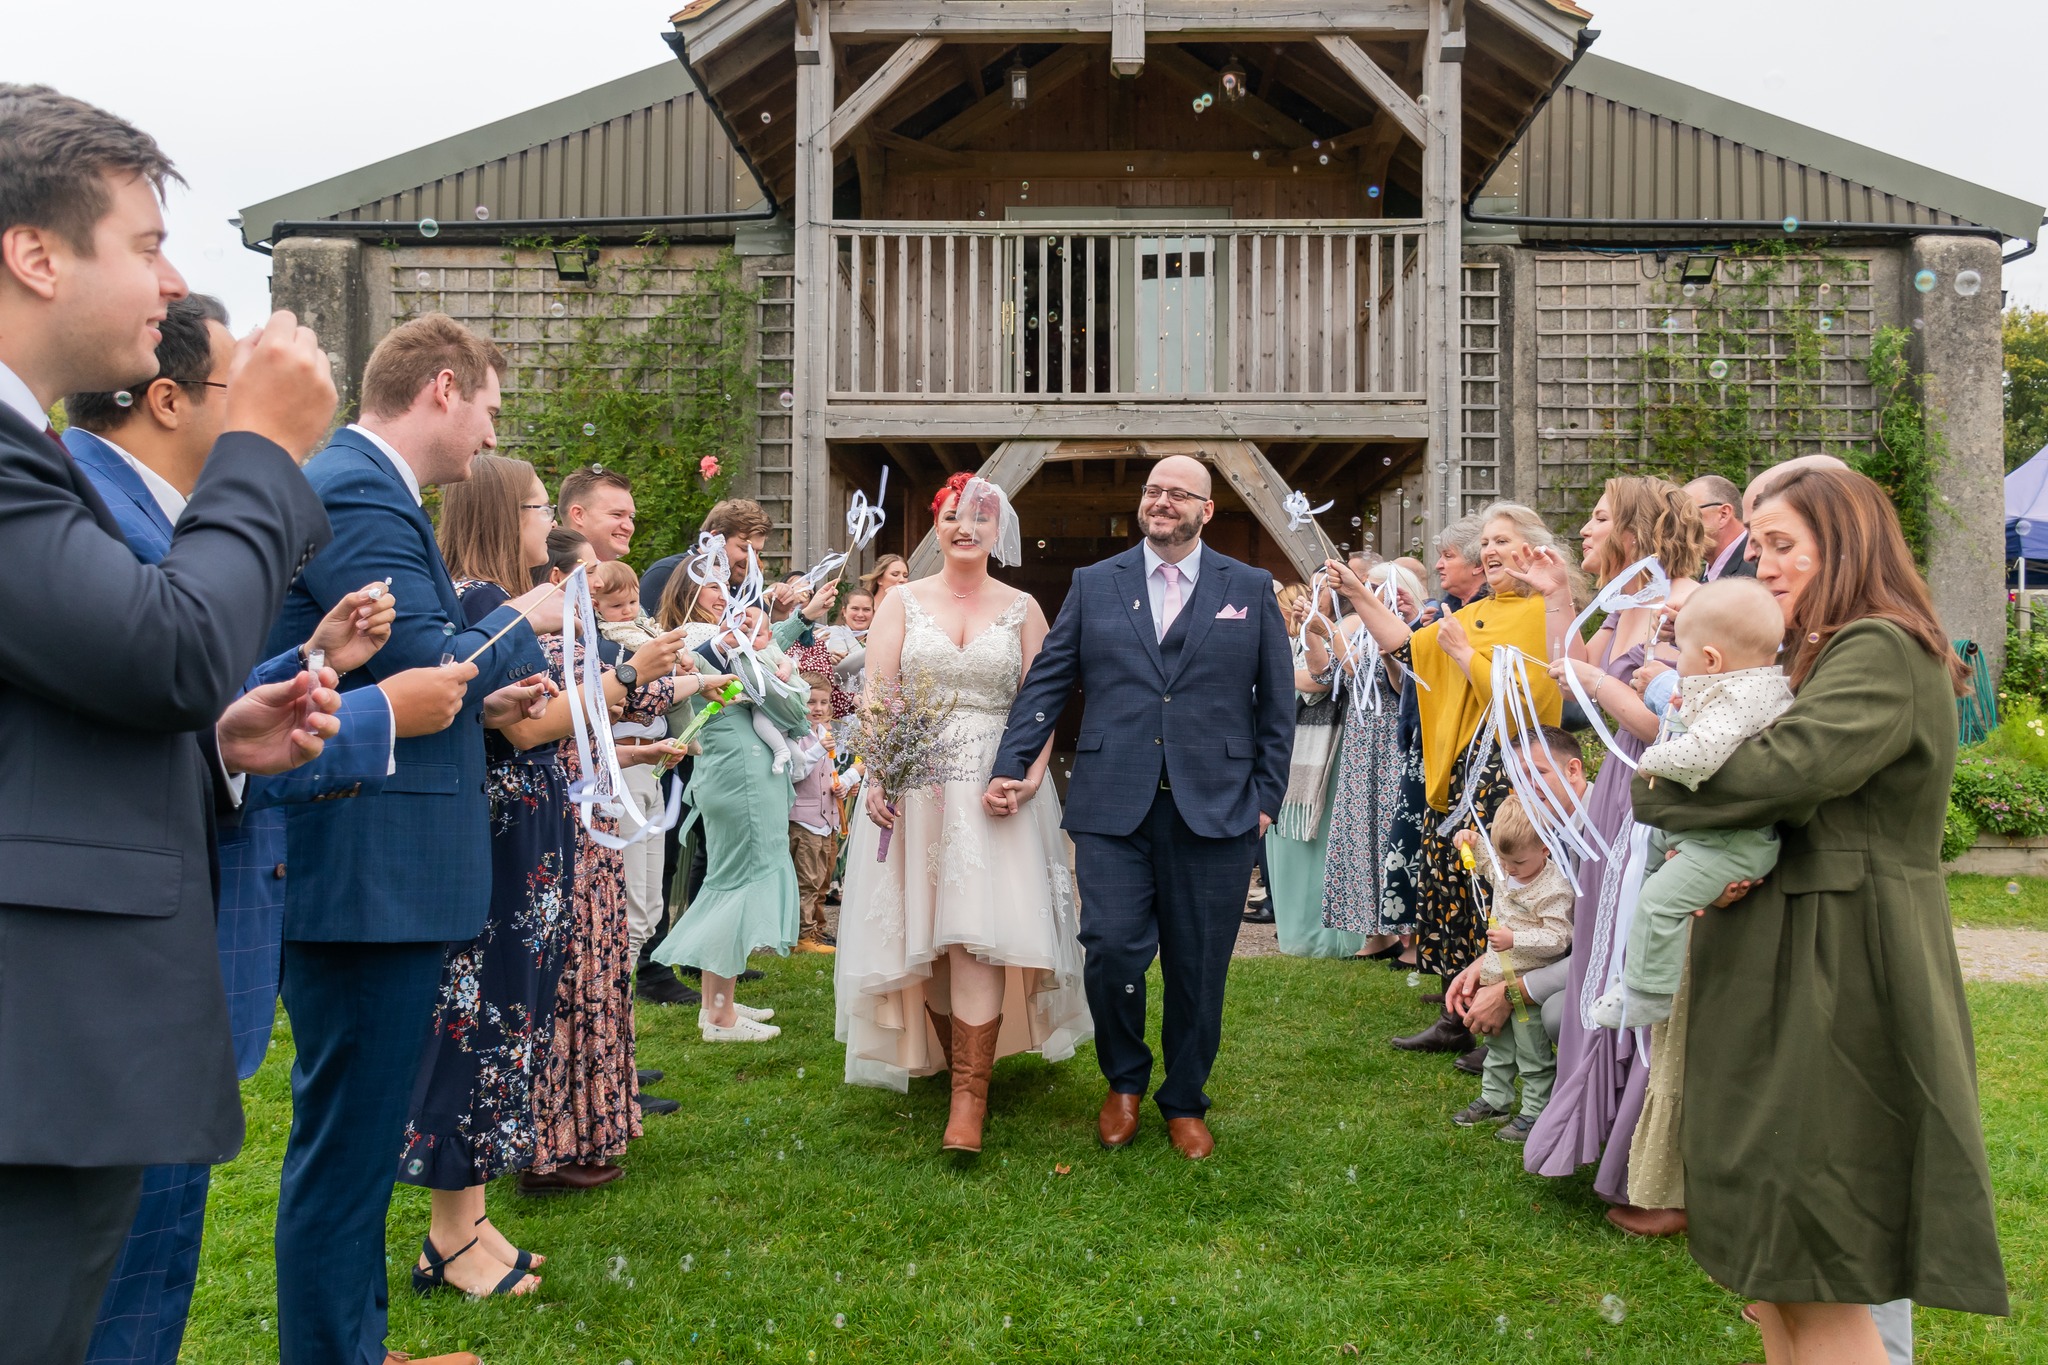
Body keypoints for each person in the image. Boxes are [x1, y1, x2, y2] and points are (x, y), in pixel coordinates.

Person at [0, 84, 344, 1365]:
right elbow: (171, 648)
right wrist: (260, 449)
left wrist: (210, 745)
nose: (172, 280)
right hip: (34, 1048)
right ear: (35, 254)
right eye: (144, 242)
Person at [62, 295, 432, 1365]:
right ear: (168, 397)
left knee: (151, 1268)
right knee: (117, 1288)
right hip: (132, 976)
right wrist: (372, 716)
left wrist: (309, 666)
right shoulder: (94, 513)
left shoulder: (149, 520)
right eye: (244, 391)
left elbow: (190, 708)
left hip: (171, 967)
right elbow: (137, 735)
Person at [1634, 465, 2007, 1361]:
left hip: (1842, 968)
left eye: (1782, 546)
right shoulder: (1824, 647)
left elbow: (1782, 773)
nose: (1759, 565)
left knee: (1817, 1268)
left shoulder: (1880, 646)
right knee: (1778, 1283)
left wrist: (1655, 784)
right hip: (1798, 952)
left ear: (1847, 543)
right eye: (1756, 545)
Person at [266, 314, 558, 1365]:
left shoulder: (376, 489)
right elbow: (426, 662)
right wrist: (525, 621)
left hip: (378, 874)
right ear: (443, 387)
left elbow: (415, 680)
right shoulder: (355, 486)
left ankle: (359, 1343)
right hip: (362, 877)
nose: (488, 433)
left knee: (352, 1137)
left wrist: (475, 702)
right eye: (487, 406)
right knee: (343, 1152)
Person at [988, 457, 1292, 1160]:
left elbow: (1276, 706)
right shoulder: (1097, 585)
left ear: (1206, 510)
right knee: (1113, 949)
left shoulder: (1247, 588)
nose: (1161, 501)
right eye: (1153, 490)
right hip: (1112, 803)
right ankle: (1123, 1079)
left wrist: (1266, 800)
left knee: (1198, 965)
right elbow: (1050, 680)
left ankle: (1185, 1098)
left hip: (1217, 809)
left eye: (1178, 493)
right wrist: (1013, 763)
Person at [836, 473, 1091, 1152]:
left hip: (994, 785)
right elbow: (879, 694)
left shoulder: (1022, 606)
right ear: (937, 525)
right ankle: (959, 1063)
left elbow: (1044, 702)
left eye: (979, 517)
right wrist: (881, 773)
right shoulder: (902, 603)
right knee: (935, 933)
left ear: (997, 527)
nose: (965, 528)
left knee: (977, 932)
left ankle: (968, 1101)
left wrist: (1029, 776)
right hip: (917, 781)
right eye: (953, 517)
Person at [1520, 476, 1703, 1237]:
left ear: (1636, 526)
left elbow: (1678, 723)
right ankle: (1602, 1143)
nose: (1587, 527)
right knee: (1603, 957)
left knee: (1635, 967)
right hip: (1614, 795)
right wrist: (1559, 593)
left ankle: (1653, 1165)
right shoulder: (1632, 601)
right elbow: (1573, 687)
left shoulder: (1685, 601)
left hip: (1651, 795)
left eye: (1600, 517)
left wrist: (1600, 679)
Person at [1385, 504, 1574, 1061]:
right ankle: (1460, 1011)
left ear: (1533, 550)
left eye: (1501, 540)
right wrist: (1361, 596)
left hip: (1513, 767)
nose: (1488, 551)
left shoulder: (1543, 614)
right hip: (1467, 762)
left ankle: (1501, 1018)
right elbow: (1408, 650)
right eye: (1485, 542)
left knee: (1507, 893)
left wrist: (1466, 656)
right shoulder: (1480, 610)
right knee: (1459, 885)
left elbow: (1529, 705)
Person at [1592, 576, 1790, 1029]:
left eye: (1680, 653)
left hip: (1728, 842)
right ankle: (1635, 970)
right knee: (1643, 873)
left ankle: (1648, 995)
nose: (1675, 662)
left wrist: (1653, 760)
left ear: (1712, 659)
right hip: (1710, 832)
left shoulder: (1741, 696)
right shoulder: (1745, 686)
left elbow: (1702, 754)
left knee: (1660, 902)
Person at [655, 580, 836, 1041]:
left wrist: (803, 617)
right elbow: (722, 656)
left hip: (747, 780)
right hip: (739, 784)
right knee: (733, 889)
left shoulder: (741, 651)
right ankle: (718, 1016)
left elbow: (768, 644)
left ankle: (722, 1003)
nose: (746, 628)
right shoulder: (701, 653)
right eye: (721, 598)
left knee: (732, 885)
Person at [1447, 796, 1573, 1142]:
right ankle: (1495, 1099)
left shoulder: (1553, 887)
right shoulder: (1505, 867)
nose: (1509, 869)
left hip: (1526, 986)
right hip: (1495, 979)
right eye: (1504, 860)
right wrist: (1468, 839)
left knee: (1533, 1055)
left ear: (1545, 848)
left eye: (1517, 861)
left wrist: (1514, 938)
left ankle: (1535, 1110)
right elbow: (1484, 861)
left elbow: (1559, 937)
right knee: (1498, 1048)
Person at [1316, 558, 1425, 952]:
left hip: (1398, 741)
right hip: (1362, 746)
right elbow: (1332, 676)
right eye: (1370, 587)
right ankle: (1373, 931)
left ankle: (1409, 936)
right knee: (1362, 832)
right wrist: (1322, 632)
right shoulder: (1359, 629)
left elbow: (1402, 689)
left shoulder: (1413, 631)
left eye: (1382, 588)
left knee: (1393, 835)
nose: (1375, 594)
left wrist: (1387, 656)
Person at [593, 559, 677, 976]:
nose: (627, 612)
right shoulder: (607, 647)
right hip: (625, 764)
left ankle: (623, 996)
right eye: (616, 605)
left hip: (652, 763)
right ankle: (617, 992)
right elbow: (644, 698)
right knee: (630, 897)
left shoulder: (643, 638)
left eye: (632, 602)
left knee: (649, 901)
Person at [788, 672, 844, 954]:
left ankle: (817, 929)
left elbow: (827, 774)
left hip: (826, 819)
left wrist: (841, 787)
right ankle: (802, 935)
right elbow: (795, 773)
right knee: (806, 879)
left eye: (824, 702)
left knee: (822, 879)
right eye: (811, 702)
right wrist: (818, 750)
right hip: (804, 819)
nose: (818, 709)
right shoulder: (797, 736)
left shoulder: (825, 733)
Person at [560, 463, 635, 562]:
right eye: (617, 514)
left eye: (631, 517)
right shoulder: (553, 574)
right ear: (579, 515)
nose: (629, 527)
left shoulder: (617, 575)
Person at [1685, 474, 1752, 581]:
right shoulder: (1709, 573)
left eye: (1688, 514)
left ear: (1723, 514)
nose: (1679, 526)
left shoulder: (1755, 570)